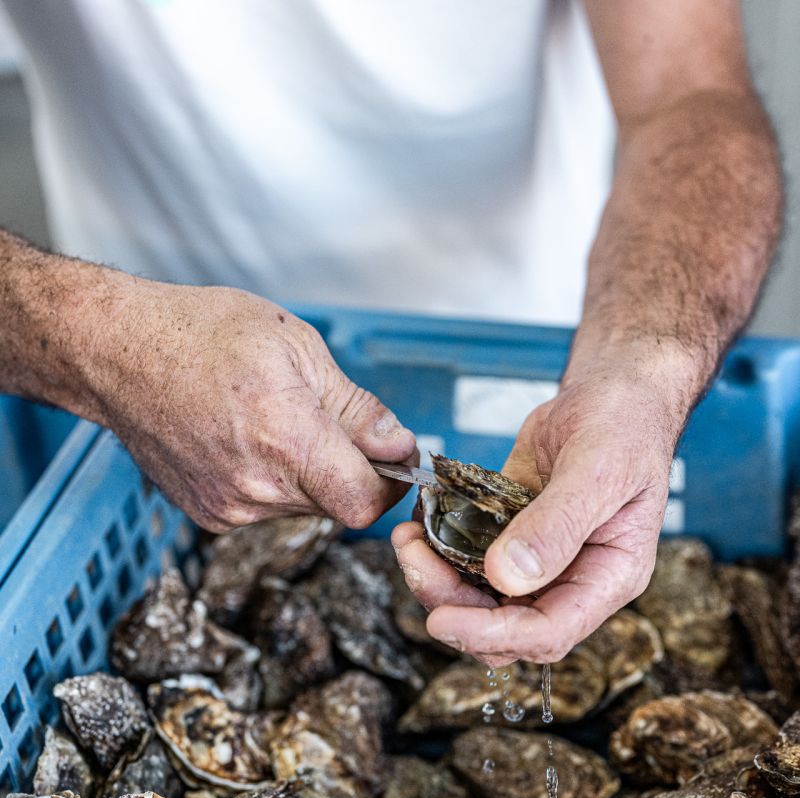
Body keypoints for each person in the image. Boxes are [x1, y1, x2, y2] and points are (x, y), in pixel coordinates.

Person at [0, 1, 782, 666]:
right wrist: (101, 344)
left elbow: (693, 98)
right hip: (126, 372)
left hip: (550, 344)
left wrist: (639, 381)